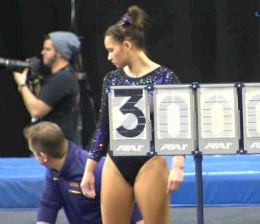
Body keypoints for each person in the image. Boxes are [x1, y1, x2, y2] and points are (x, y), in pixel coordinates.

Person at [80, 5, 185, 224]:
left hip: (150, 161)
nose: (109, 57)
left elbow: (177, 126)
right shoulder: (112, 79)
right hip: (116, 162)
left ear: (127, 45)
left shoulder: (165, 77)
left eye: (111, 50)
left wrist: (177, 166)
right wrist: (89, 170)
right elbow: (104, 127)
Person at [23, 121, 143, 224]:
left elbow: (134, 210)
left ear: (43, 156)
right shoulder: (53, 170)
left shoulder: (96, 172)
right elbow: (49, 205)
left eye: (33, 152)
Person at [14, 31, 81, 144]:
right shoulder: (63, 76)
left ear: (59, 52)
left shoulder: (62, 79)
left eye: (47, 49)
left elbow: (36, 111)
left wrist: (22, 84)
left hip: (59, 148)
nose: (42, 52)